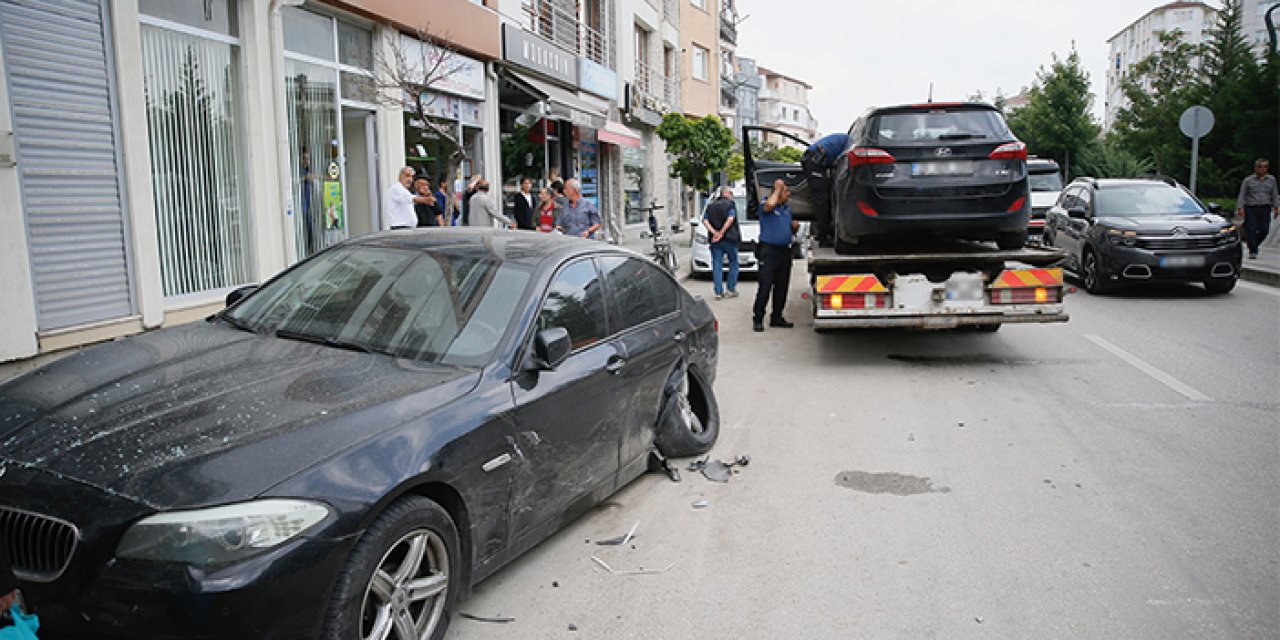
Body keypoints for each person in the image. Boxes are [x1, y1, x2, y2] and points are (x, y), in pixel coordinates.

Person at [753, 179, 800, 332]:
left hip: (784, 252)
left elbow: (787, 231)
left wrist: (794, 229)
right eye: (786, 191)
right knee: (765, 286)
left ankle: (777, 317)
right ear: (778, 193)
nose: (789, 194)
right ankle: (758, 318)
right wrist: (778, 187)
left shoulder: (787, 210)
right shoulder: (766, 205)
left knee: (782, 287)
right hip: (769, 252)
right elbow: (769, 206)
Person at [801, 132, 851, 247]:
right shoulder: (850, 143)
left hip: (814, 160)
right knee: (822, 201)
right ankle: (823, 238)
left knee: (823, 198)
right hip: (814, 162)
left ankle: (821, 234)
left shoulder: (843, 139)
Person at [1236, 158, 1279, 259]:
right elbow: (1242, 195)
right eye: (1260, 166)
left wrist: (1276, 207)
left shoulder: (1271, 180)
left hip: (1265, 207)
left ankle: (1253, 244)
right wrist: (1240, 208)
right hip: (1251, 207)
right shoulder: (1248, 180)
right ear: (1255, 168)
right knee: (1251, 229)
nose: (1262, 169)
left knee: (1264, 230)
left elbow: (1274, 194)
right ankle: (1253, 250)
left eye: (1265, 167)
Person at [703, 186, 741, 299]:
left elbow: (705, 220)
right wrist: (721, 233)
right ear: (728, 193)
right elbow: (730, 219)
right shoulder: (730, 204)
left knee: (717, 265)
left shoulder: (711, 206)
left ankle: (718, 292)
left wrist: (714, 233)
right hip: (729, 238)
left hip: (715, 241)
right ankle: (730, 289)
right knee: (733, 263)